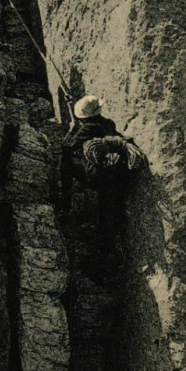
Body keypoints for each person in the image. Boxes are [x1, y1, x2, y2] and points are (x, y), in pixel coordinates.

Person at [61, 95, 127, 253]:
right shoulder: (108, 123)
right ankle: (107, 244)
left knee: (66, 162)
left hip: (97, 177)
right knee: (106, 212)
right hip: (113, 174)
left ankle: (65, 199)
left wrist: (72, 129)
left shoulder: (88, 128)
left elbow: (66, 146)